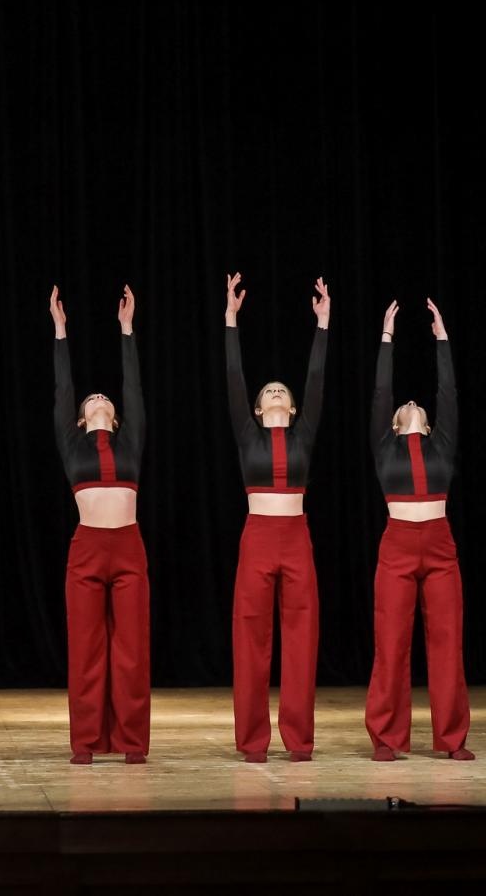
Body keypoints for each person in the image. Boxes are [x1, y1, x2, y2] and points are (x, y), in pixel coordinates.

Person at [223, 273, 330, 763]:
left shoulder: (304, 432)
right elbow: (234, 377)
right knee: (250, 635)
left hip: (297, 536)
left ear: (292, 404)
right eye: (268, 390)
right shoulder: (248, 434)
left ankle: (299, 740)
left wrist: (323, 326)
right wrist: (230, 321)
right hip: (258, 537)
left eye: (281, 390)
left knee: (302, 636)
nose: (275, 391)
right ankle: (252, 741)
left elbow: (316, 379)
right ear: (257, 407)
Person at [364, 298, 474, 762]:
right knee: (391, 644)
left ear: (428, 424)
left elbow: (448, 393)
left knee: (448, 643)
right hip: (398, 547)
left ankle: (452, 739)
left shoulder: (442, 445)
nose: (411, 402)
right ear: (394, 424)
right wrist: (386, 337)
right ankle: (388, 738)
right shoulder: (385, 446)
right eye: (404, 405)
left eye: (418, 405)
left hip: (440, 547)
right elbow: (381, 391)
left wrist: (443, 340)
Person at [51, 284, 150, 764]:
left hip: (128, 547)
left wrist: (126, 330)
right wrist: (60, 332)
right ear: (80, 418)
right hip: (87, 549)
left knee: (131, 650)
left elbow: (133, 389)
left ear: (115, 416)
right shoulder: (72, 445)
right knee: (87, 650)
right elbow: (62, 390)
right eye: (90, 399)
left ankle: (132, 741)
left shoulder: (131, 441)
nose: (98, 399)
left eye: (104, 398)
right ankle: (86, 741)